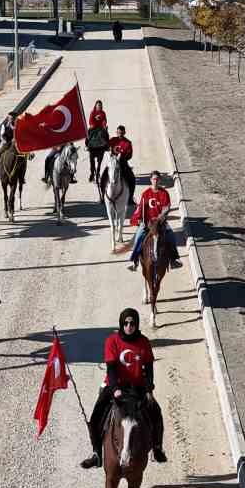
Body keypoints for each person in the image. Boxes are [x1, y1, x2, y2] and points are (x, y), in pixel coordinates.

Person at [80, 308, 167, 469]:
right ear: (121, 324)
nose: (129, 326)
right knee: (97, 414)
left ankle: (157, 448)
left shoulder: (144, 342)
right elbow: (111, 368)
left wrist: (149, 389)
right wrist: (115, 389)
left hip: (137, 387)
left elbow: (148, 369)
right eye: (126, 323)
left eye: (132, 323)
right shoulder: (112, 341)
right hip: (116, 386)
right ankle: (96, 453)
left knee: (156, 412)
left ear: (136, 324)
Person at [127, 173, 183, 270]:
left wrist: (161, 216)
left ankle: (174, 260)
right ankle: (135, 261)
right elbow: (141, 208)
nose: (155, 181)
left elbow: (167, 207)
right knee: (138, 237)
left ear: (160, 180)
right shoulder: (145, 193)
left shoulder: (164, 193)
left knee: (171, 236)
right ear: (150, 180)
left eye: (157, 179)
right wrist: (140, 219)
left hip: (160, 222)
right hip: (147, 222)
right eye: (154, 179)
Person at [108, 124, 136, 199]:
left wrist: (122, 157)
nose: (120, 134)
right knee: (103, 176)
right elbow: (106, 146)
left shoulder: (128, 143)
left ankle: (130, 198)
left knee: (132, 178)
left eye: (121, 133)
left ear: (124, 133)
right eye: (118, 133)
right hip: (112, 162)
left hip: (122, 163)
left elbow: (130, 155)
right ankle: (102, 196)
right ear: (116, 132)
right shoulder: (112, 140)